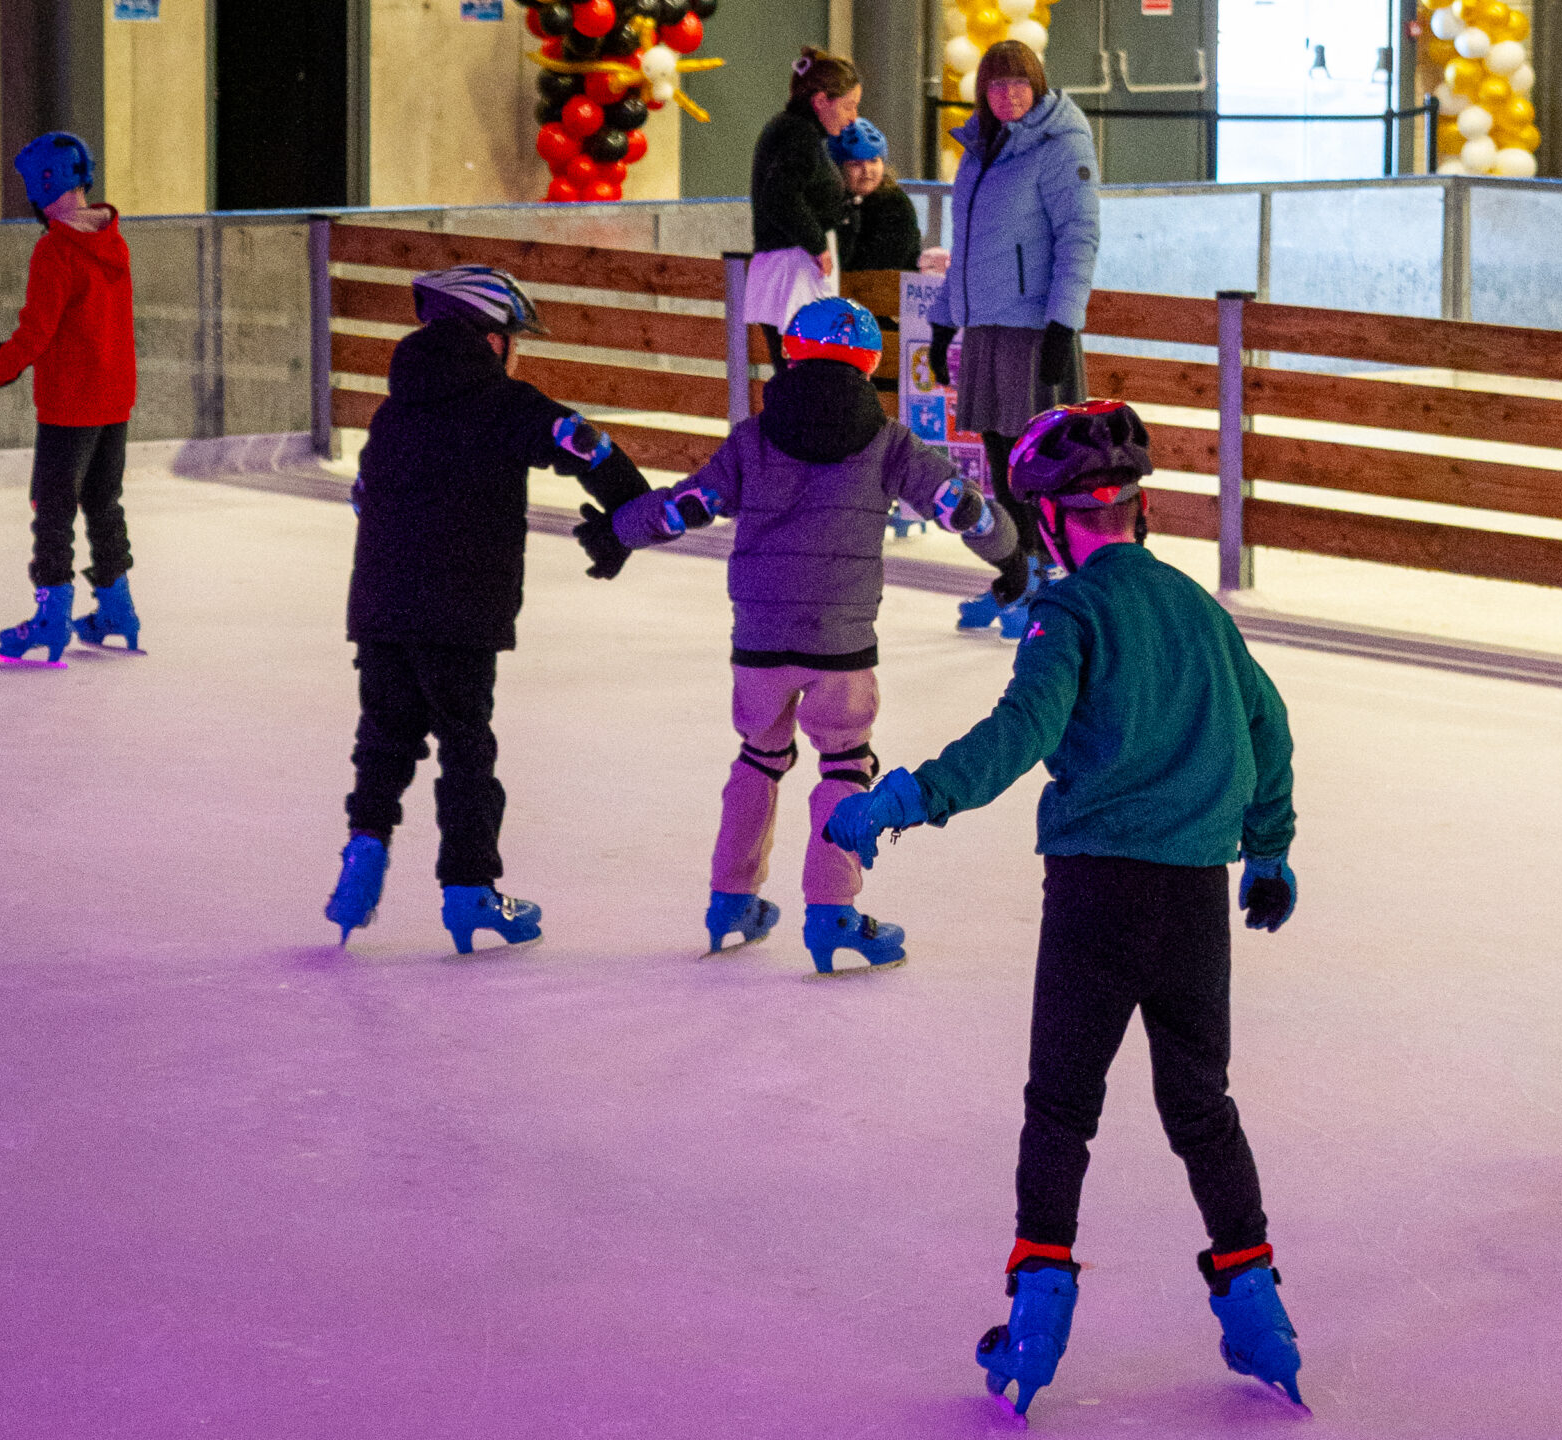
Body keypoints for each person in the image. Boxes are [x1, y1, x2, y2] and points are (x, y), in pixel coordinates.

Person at [819, 401, 1307, 1419]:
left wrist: (902, 800)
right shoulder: (1198, 608)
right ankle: (1257, 1306)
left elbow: (1018, 732)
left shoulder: (1069, 613)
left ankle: (1036, 1320)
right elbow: (1268, 721)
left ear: (1050, 520)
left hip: (1096, 893)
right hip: (1193, 898)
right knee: (1200, 1106)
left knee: (1061, 1112)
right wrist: (1268, 850)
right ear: (1138, 507)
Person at [599, 298, 1021, 973]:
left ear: (791, 353)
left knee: (758, 758)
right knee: (844, 764)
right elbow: (957, 505)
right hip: (840, 643)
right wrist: (1008, 548)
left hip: (760, 640)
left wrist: (618, 531)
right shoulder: (888, 442)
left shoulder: (753, 438)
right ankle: (834, 914)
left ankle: (730, 900)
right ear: (869, 364)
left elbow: (687, 505)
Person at [321, 267, 652, 955]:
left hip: (382, 609)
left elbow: (363, 495)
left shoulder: (395, 409)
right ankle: (470, 892)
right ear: (492, 339)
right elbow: (587, 445)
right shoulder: (507, 405)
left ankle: (365, 850)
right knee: (465, 748)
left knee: (383, 739)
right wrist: (629, 514)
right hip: (462, 614)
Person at [926, 40, 1101, 641]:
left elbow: (1080, 236)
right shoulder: (978, 150)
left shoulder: (1060, 145)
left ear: (1039, 84)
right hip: (987, 326)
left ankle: (1051, 577)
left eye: (1019, 83)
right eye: (996, 85)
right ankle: (1017, 572)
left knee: (1038, 461)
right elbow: (965, 248)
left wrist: (1063, 322)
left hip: (1034, 327)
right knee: (1000, 461)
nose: (1008, 95)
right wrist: (945, 319)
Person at [0, 133, 142, 666]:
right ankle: (116, 609)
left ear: (45, 185)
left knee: (52, 509)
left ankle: (51, 616)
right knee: (104, 503)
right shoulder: (113, 239)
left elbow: (35, 335)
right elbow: (85, 324)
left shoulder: (56, 249)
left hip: (70, 405)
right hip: (113, 399)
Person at [746, 46, 862, 370]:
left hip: (792, 265)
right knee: (800, 370)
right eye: (849, 106)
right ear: (821, 100)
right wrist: (817, 242)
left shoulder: (799, 131)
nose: (853, 117)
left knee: (801, 370)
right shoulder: (797, 133)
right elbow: (779, 195)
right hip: (791, 268)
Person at [828, 118, 929, 274]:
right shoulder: (829, 202)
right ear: (838, 168)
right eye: (855, 164)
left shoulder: (895, 204)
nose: (867, 170)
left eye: (873, 161)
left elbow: (879, 266)